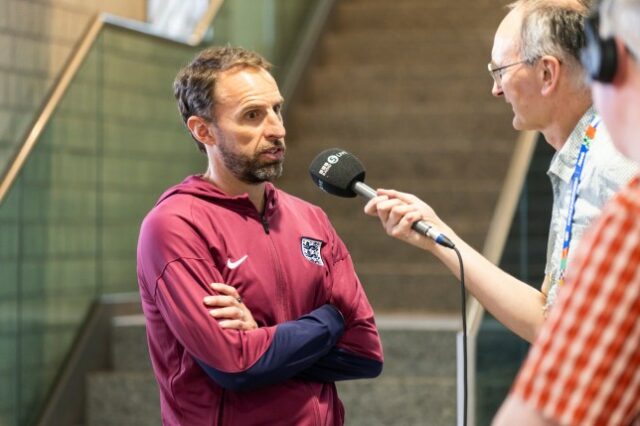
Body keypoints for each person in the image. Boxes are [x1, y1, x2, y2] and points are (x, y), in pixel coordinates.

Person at [363, 0, 637, 343]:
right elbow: (552, 320)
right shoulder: (587, 155)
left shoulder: (612, 162)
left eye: (501, 71)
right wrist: (438, 236)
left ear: (547, 74)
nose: (496, 89)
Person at [136, 46, 383, 426]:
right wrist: (330, 320)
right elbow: (236, 366)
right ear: (203, 131)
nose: (277, 129)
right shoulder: (175, 225)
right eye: (253, 116)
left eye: (276, 109)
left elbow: (365, 352)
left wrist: (266, 340)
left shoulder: (310, 219)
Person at [494, 0, 640, 423]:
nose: (496, 89)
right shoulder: (583, 162)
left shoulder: (621, 194)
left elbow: (546, 411)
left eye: (500, 70)